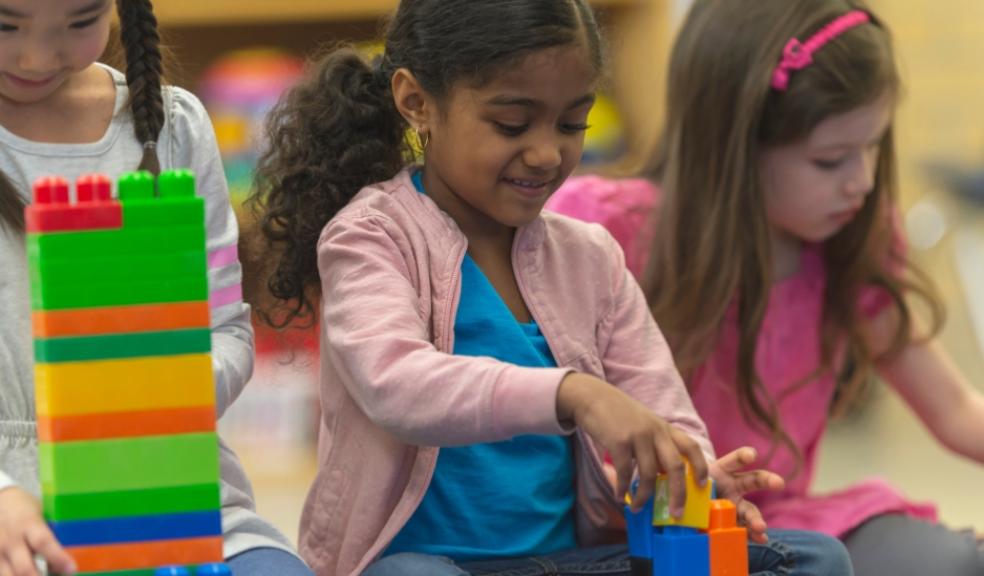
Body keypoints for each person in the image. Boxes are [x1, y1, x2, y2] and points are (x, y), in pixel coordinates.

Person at [249, 1, 853, 575]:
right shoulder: (370, 236)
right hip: (427, 564)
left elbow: (663, 409)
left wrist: (691, 481)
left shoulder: (589, 256)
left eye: (572, 123)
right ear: (417, 102)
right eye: (511, 123)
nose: (546, 152)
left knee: (812, 559)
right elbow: (397, 385)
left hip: (569, 562)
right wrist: (574, 394)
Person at [547, 0, 984, 574]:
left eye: (873, 145)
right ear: (732, 147)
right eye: (830, 160)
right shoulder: (604, 230)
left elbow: (955, 410)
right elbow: (538, 428)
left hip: (783, 525)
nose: (863, 181)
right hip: (630, 527)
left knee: (950, 562)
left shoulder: (856, 238)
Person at [0, 1, 312, 575]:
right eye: (5, 23)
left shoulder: (173, 126)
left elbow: (227, 328)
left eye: (79, 21)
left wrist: (157, 392)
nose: (37, 56)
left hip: (171, 489)